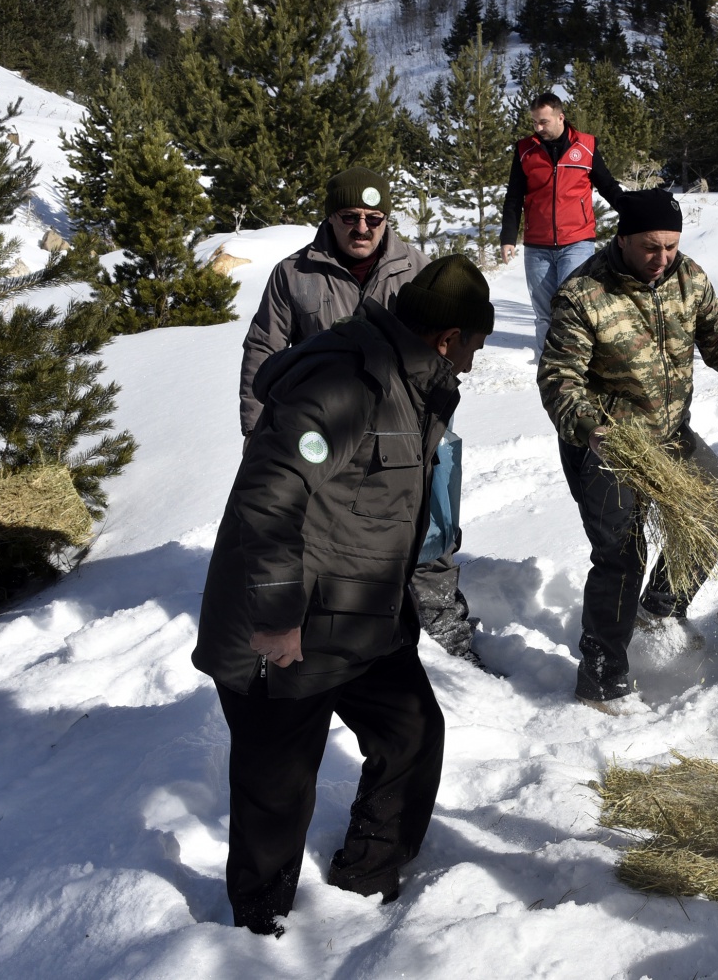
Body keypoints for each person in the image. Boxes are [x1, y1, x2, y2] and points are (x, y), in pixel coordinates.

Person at [193, 257, 494, 936]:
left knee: (413, 731)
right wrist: (274, 618)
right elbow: (267, 499)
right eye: (473, 346)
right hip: (285, 626)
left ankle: (365, 878)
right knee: (277, 794)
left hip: (358, 617)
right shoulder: (345, 382)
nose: (474, 365)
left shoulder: (410, 382)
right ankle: (257, 931)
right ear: (447, 337)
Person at [537, 189, 718, 714]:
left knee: (717, 518)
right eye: (650, 247)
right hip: (607, 444)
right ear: (623, 239)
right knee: (621, 555)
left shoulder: (688, 277)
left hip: (671, 434)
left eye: (671, 247)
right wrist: (590, 426)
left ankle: (660, 611)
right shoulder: (583, 293)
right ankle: (602, 677)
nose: (662, 259)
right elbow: (558, 380)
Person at [239, 167, 478, 664]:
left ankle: (444, 629)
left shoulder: (415, 266)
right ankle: (325, 624)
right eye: (350, 217)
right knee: (328, 532)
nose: (363, 229)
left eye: (374, 218)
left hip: (409, 428)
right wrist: (256, 430)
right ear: (330, 217)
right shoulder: (295, 273)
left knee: (431, 520)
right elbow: (264, 349)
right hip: (330, 432)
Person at [499, 93, 624, 354]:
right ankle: (548, 366)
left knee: (573, 306)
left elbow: (608, 187)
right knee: (544, 312)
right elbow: (514, 197)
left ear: (560, 117)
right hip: (537, 246)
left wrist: (634, 213)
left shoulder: (586, 147)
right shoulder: (525, 150)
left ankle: (579, 361)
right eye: (534, 122)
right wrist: (508, 238)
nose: (538, 128)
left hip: (577, 241)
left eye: (543, 122)